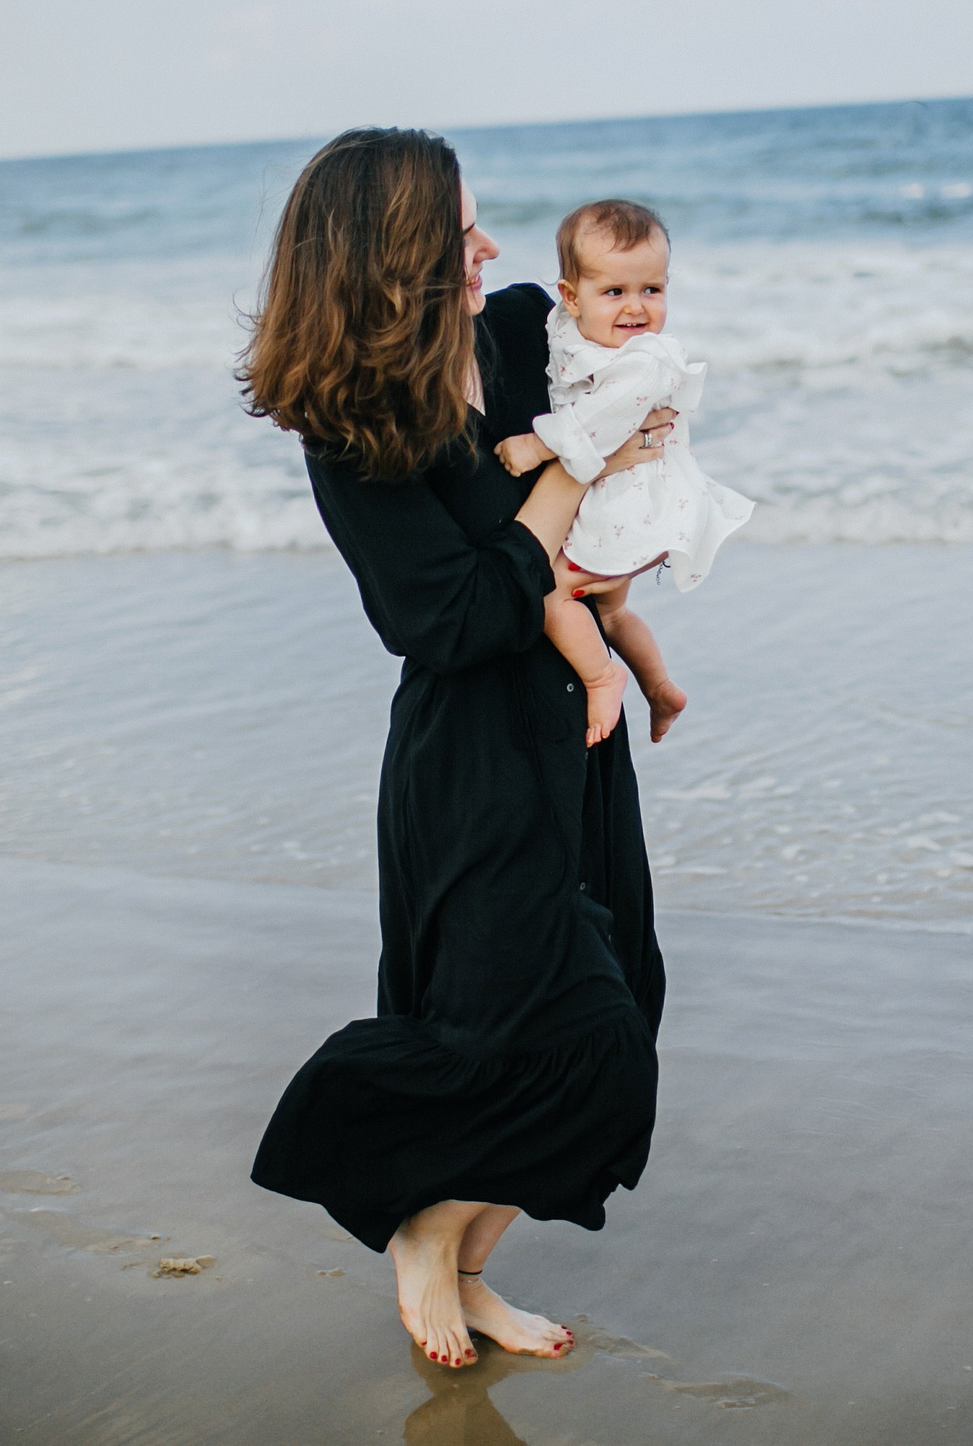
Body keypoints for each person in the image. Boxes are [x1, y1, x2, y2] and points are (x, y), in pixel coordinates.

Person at [240, 129, 675, 1370]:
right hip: (471, 757)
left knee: (622, 1010)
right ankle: (420, 1227)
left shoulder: (520, 329)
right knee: (533, 1031)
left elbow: (634, 369)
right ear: (395, 255)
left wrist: (641, 430)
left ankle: (470, 1267)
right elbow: (456, 616)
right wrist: (573, 476)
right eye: (462, 229)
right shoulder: (356, 427)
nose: (490, 246)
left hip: (574, 737)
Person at [491, 198, 753, 746]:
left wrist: (538, 445)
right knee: (610, 615)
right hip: (615, 499)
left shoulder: (646, 359)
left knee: (550, 592)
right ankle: (659, 688)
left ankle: (601, 676)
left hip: (634, 504)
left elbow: (603, 416)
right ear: (570, 296)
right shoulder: (571, 327)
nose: (636, 308)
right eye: (614, 292)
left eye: (651, 290)